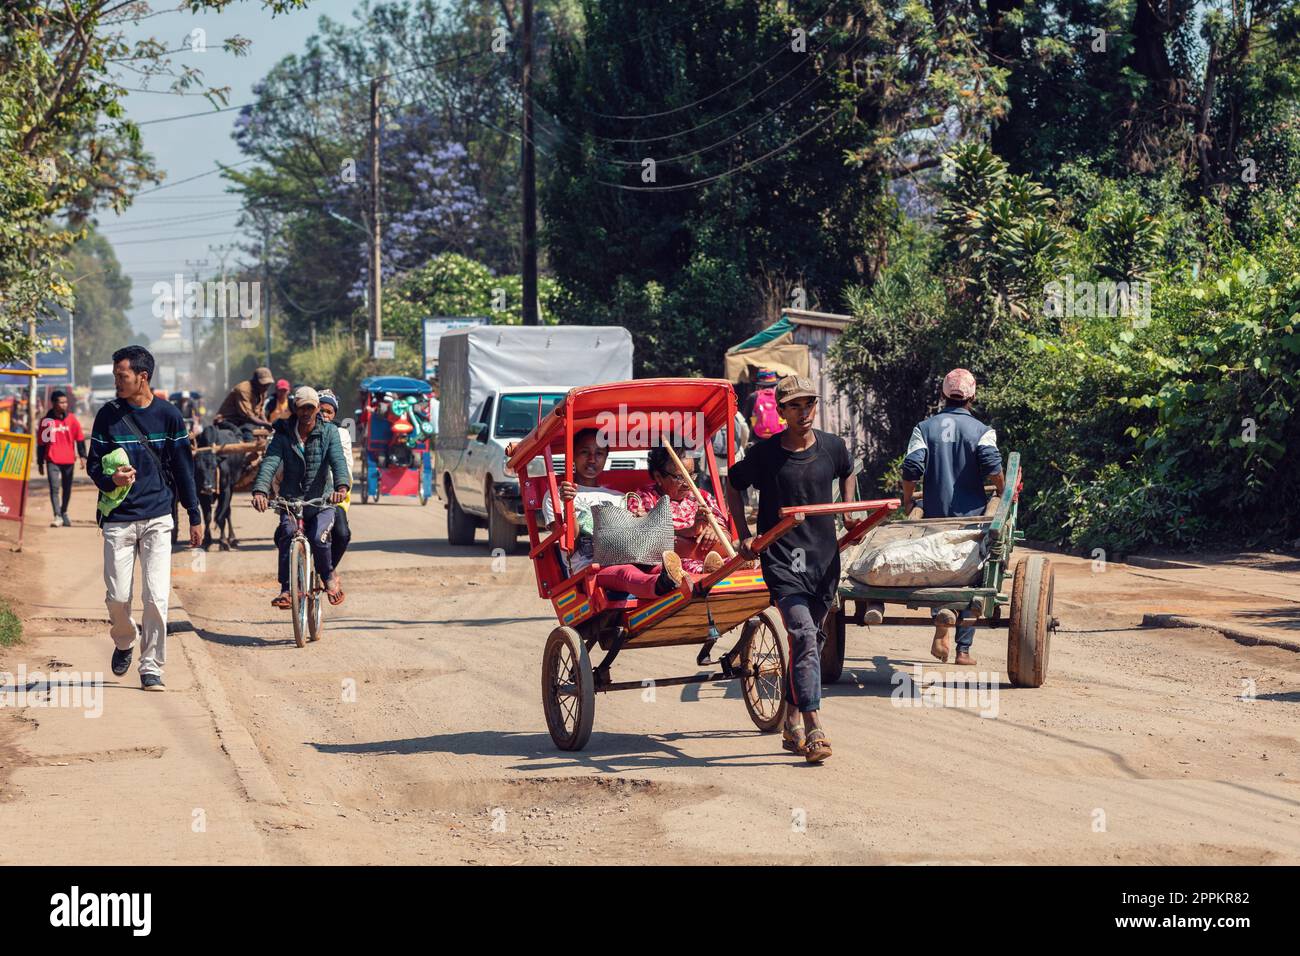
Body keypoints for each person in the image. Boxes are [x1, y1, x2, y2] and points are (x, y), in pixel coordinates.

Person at [727, 375, 856, 764]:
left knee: (811, 640)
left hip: (822, 562)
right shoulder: (766, 455)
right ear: (780, 412)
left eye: (809, 404)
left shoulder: (833, 447)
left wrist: (849, 510)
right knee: (801, 632)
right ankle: (815, 726)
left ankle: (792, 718)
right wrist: (745, 535)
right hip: (782, 560)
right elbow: (734, 484)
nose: (804, 412)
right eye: (795, 406)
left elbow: (848, 471)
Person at [87, 346, 203, 691]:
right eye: (115, 376)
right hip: (118, 518)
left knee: (156, 597)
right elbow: (94, 464)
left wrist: (194, 514)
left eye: (121, 376)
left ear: (143, 376)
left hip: (157, 516)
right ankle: (125, 640)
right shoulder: (106, 416)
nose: (116, 382)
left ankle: (151, 665)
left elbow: (184, 469)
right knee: (117, 597)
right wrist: (112, 480)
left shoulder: (169, 416)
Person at [901, 368, 1005, 667]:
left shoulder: (924, 428)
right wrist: (1001, 491)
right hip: (972, 520)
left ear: (942, 394)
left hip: (934, 518)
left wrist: (909, 498)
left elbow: (912, 469)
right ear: (973, 397)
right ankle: (963, 651)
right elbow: (992, 467)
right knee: (973, 579)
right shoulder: (982, 430)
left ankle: (941, 618)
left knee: (937, 569)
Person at [541, 429, 687, 599]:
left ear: (606, 457)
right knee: (625, 572)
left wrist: (640, 522)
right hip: (588, 569)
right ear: (572, 455)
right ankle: (661, 587)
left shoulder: (619, 497)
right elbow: (570, 545)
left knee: (657, 567)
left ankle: (699, 581)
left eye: (599, 453)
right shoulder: (557, 495)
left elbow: (631, 541)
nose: (592, 459)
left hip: (628, 558)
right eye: (584, 452)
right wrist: (569, 505)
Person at [251, 386, 350, 607]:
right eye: (301, 408)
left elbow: (338, 462)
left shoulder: (329, 432)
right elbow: (270, 462)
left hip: (321, 499)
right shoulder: (283, 434)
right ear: (295, 409)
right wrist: (260, 490)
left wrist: (341, 488)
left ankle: (328, 577)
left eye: (310, 408)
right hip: (291, 500)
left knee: (317, 538)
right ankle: (287, 589)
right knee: (286, 533)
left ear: (316, 409)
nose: (306, 412)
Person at [628, 445, 727, 575]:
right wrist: (688, 532)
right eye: (680, 477)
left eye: (691, 475)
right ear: (658, 477)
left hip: (717, 558)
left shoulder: (703, 497)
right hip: (674, 566)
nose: (688, 483)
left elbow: (726, 538)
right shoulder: (644, 499)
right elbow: (648, 544)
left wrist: (715, 531)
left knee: (746, 562)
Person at [36, 390, 86, 527]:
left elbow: (80, 439)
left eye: (65, 402)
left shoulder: (71, 419)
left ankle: (64, 511)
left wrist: (83, 456)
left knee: (67, 488)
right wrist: (40, 462)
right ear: (53, 403)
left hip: (69, 459)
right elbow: (41, 444)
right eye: (61, 402)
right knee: (54, 488)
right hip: (52, 459)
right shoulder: (47, 421)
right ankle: (57, 515)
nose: (64, 404)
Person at [316, 391, 352, 576]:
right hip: (308, 495)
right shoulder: (302, 431)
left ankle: (328, 572)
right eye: (320, 410)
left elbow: (344, 466)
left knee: (342, 534)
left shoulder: (342, 435)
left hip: (334, 496)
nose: (324, 415)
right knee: (283, 534)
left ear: (334, 414)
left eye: (329, 412)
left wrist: (340, 488)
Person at [215, 366, 275, 437]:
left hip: (244, 421)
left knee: (250, 429)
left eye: (268, 385)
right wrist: (265, 424)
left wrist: (267, 424)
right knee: (240, 433)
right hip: (227, 421)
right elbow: (249, 416)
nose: (266, 387)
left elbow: (260, 412)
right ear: (255, 381)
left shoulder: (263, 391)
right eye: (263, 384)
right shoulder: (243, 390)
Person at [740, 368, 784, 446]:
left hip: (758, 438)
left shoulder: (754, 396)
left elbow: (745, 419)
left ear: (759, 384)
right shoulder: (780, 396)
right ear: (775, 383)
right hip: (779, 437)